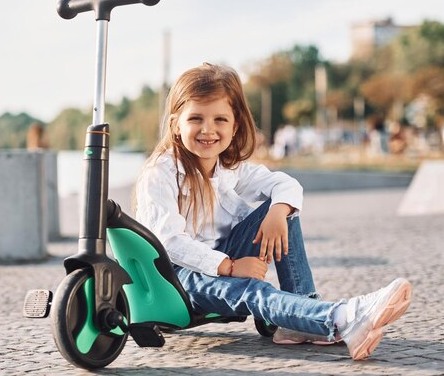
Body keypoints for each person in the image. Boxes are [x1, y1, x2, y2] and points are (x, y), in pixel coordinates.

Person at [134, 63, 412, 360]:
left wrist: (278, 211)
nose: (208, 129)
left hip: (219, 256)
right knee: (251, 289)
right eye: (196, 119)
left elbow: (285, 183)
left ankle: (300, 318)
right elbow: (168, 242)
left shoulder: (228, 167)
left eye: (220, 119)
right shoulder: (161, 172)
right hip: (178, 276)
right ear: (176, 123)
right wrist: (229, 266)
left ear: (235, 126)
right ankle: (342, 317)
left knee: (284, 205)